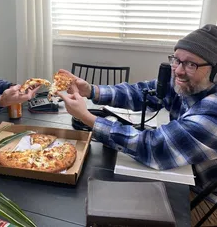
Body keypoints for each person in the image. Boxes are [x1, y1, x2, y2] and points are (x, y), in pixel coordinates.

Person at [58, 25, 217, 225]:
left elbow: (154, 146)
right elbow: (140, 92)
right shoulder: (191, 84)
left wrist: (88, 118)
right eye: (176, 60)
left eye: (190, 64)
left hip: (202, 201)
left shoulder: (213, 111)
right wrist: (91, 91)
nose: (178, 70)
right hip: (184, 174)